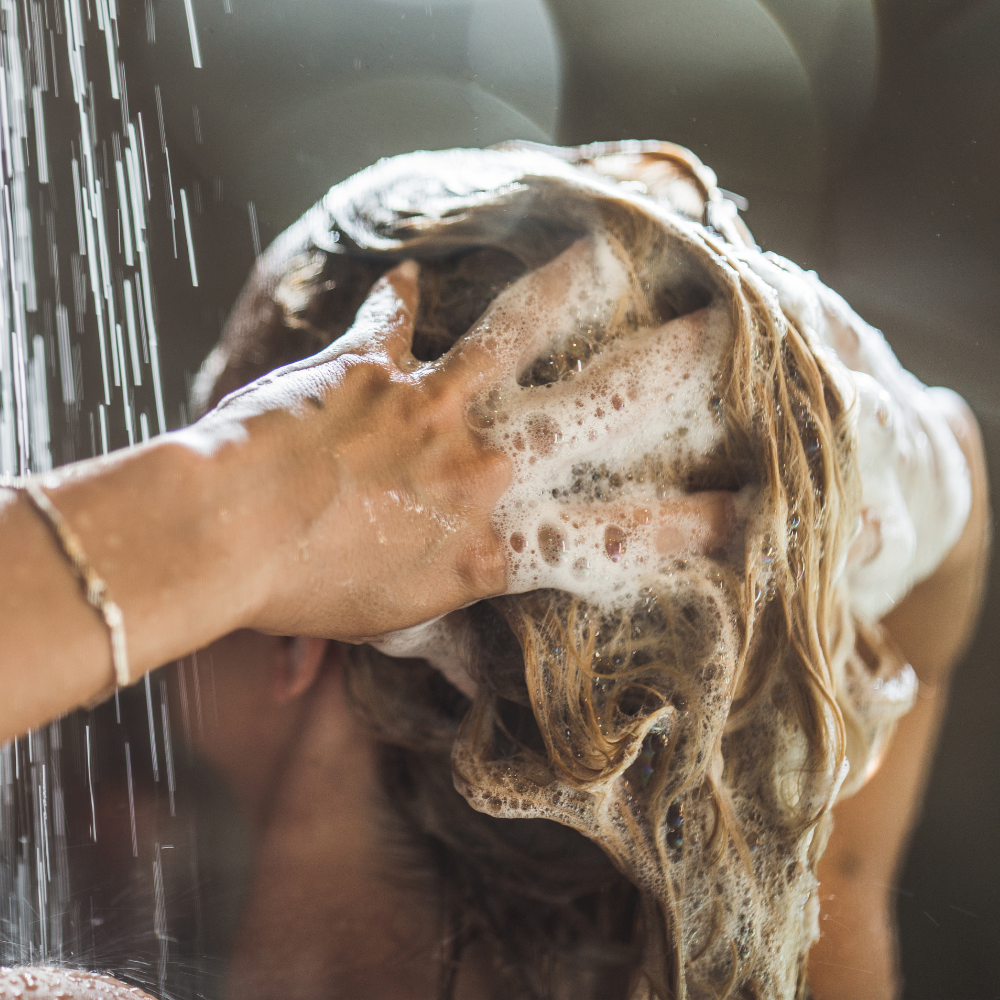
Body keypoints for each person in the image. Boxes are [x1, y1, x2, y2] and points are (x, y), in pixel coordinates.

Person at [0, 142, 989, 1000]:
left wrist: (249, 499)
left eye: (235, 428)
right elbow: (946, 557)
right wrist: (810, 449)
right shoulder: (817, 941)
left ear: (298, 619)